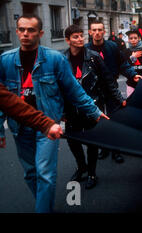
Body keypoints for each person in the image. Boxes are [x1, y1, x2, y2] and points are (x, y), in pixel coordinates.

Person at [0, 14, 107, 212]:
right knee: (30, 174)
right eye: (21, 29)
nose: (25, 34)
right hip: (20, 127)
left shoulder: (54, 59)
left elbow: (73, 88)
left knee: (45, 174)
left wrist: (94, 110)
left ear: (40, 33)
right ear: (16, 31)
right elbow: (2, 99)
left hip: (48, 126)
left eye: (31, 30)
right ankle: (44, 203)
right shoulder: (5, 61)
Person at [63, 25, 124, 189]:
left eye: (81, 36)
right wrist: (61, 110)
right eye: (75, 37)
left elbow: (108, 80)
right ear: (67, 40)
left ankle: (91, 172)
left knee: (91, 142)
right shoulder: (62, 59)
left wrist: (119, 98)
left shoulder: (93, 57)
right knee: (73, 141)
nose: (80, 39)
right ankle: (81, 167)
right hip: (71, 109)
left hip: (92, 105)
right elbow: (58, 86)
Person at [86, 20, 142, 163]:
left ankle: (116, 150)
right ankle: (104, 147)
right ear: (90, 32)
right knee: (100, 120)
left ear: (104, 31)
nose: (97, 33)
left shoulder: (112, 46)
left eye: (100, 30)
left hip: (111, 88)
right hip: (94, 91)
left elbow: (123, 64)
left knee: (115, 119)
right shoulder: (85, 49)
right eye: (94, 30)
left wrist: (132, 74)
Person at [123, 30, 142, 95]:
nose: (133, 40)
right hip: (131, 83)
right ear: (128, 40)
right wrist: (133, 57)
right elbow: (124, 66)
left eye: (135, 38)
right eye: (131, 38)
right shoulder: (126, 51)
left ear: (139, 38)